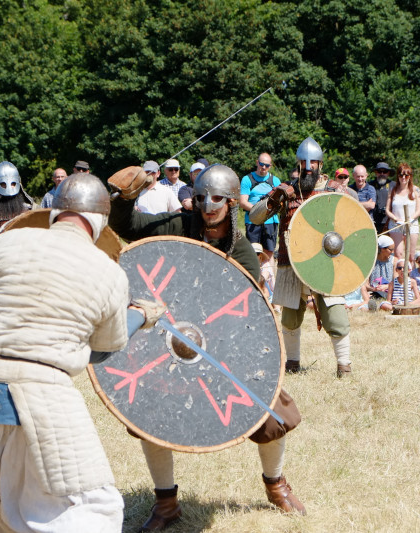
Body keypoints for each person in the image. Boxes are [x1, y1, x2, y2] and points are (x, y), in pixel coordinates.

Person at [0, 173, 144, 531]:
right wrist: (140, 316)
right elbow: (99, 353)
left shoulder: (9, 241)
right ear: (100, 222)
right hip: (42, 400)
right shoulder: (109, 273)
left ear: (53, 211)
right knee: (90, 513)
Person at [108, 163, 305, 529]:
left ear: (231, 202)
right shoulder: (180, 226)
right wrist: (124, 198)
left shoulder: (242, 251)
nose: (207, 205)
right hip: (169, 337)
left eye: (216, 198)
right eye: (200, 197)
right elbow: (128, 227)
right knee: (149, 414)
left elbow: (251, 318)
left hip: (222, 346)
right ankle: (166, 504)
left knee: (272, 412)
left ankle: (275, 484)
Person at [250, 137, 354, 378]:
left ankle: (344, 366)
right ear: (298, 164)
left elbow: (354, 220)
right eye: (305, 164)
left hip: (327, 261)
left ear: (320, 163)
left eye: (314, 164)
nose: (309, 169)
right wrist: (273, 199)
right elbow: (255, 217)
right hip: (291, 261)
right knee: (289, 318)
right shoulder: (287, 190)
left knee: (336, 316)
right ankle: (292, 364)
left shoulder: (333, 190)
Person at [240, 153, 281, 289]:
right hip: (253, 222)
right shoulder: (247, 179)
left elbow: (280, 202)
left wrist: (268, 212)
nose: (263, 167)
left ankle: (272, 290)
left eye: (267, 165)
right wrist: (260, 211)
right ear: (257, 163)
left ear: (270, 166)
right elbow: (243, 202)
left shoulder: (275, 181)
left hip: (270, 222)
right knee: (254, 255)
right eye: (261, 164)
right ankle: (255, 286)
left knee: (269, 255)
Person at [385, 163, 420, 262]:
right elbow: (387, 210)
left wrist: (410, 219)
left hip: (411, 225)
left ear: (410, 176)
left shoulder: (416, 190)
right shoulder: (392, 190)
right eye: (401, 175)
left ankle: (411, 276)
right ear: (398, 176)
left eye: (406, 175)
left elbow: (419, 211)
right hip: (396, 225)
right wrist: (395, 219)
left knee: (411, 255)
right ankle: (398, 276)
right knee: (398, 254)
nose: (404, 177)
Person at [367, 235, 395, 311]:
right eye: (391, 249)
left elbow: (397, 281)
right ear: (382, 249)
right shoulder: (371, 261)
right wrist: (374, 288)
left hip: (390, 290)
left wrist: (386, 286)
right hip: (374, 291)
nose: (392, 252)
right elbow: (365, 284)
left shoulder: (394, 260)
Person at [372, 162, 394, 233]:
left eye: (384, 171)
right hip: (373, 221)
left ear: (388, 173)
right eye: (379, 171)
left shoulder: (394, 185)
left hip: (389, 221)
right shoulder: (370, 185)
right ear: (376, 172)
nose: (382, 174)